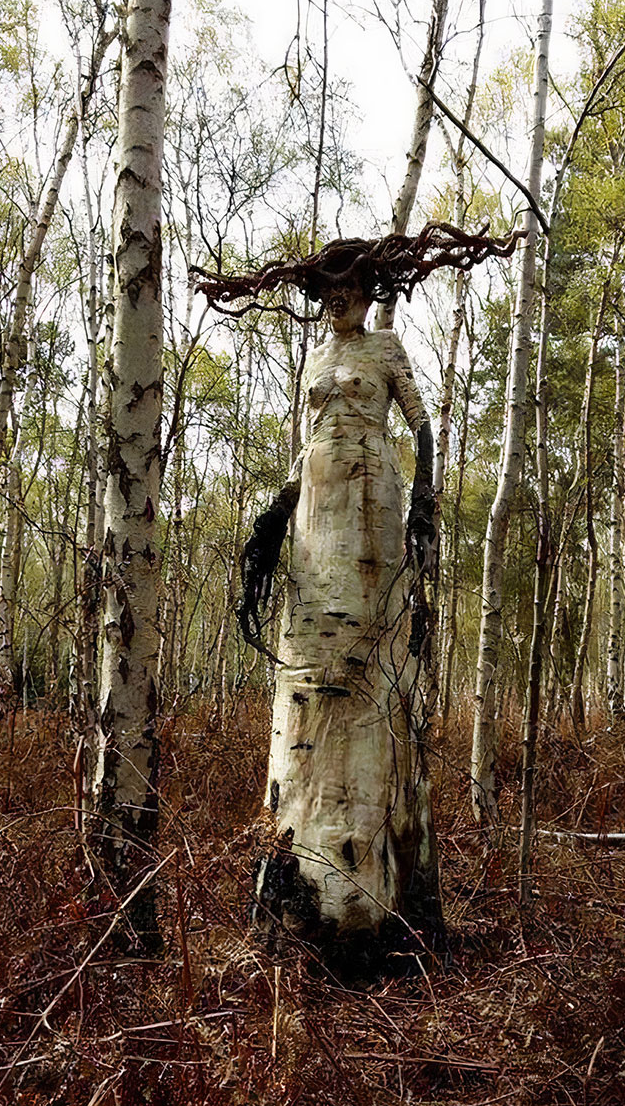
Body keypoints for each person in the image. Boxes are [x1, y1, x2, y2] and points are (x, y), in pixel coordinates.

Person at [194, 223, 520, 948]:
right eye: (328, 291)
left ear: (368, 294)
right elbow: (302, 445)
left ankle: (375, 896)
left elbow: (423, 422)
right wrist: (275, 515)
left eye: (351, 289)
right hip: (315, 503)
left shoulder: (384, 349)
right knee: (308, 654)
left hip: (372, 499)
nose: (339, 301)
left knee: (369, 656)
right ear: (319, 298)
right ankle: (301, 878)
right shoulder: (315, 355)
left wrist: (427, 496)